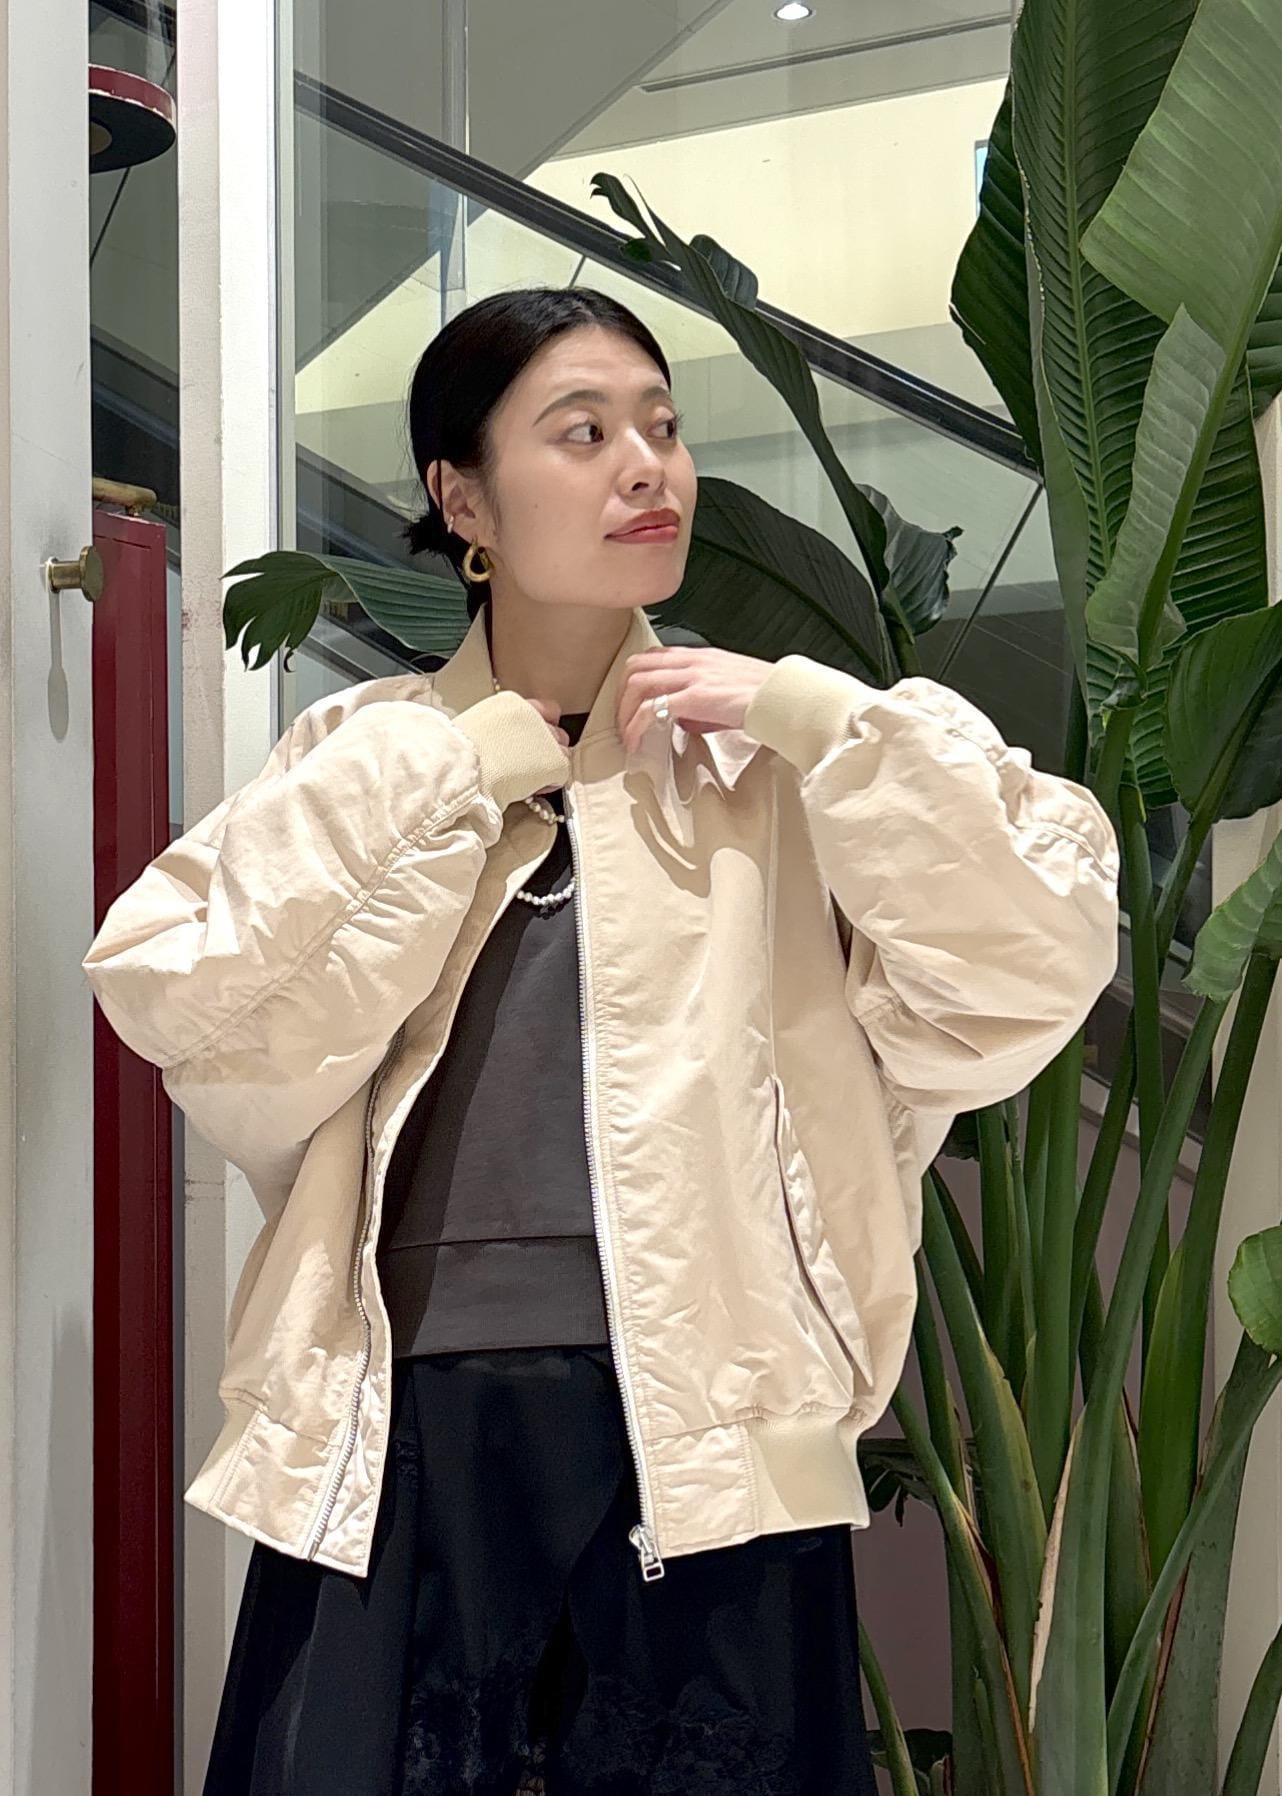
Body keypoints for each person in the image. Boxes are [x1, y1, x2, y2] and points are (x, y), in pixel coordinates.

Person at [81, 285, 1121, 1794]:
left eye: (663, 427)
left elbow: (1028, 968)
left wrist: (819, 723)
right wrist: (460, 772)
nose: (648, 467)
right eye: (582, 433)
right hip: (405, 1422)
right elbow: (187, 1002)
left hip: (714, 1425)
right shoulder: (367, 752)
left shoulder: (774, 765)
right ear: (462, 499)